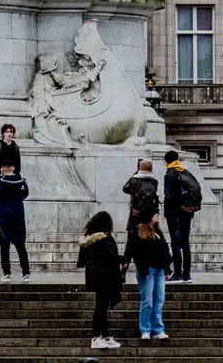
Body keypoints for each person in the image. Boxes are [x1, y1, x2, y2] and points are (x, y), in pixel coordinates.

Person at [78, 209, 124, 349]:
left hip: (96, 277)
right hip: (105, 277)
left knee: (102, 307)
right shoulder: (104, 238)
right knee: (101, 308)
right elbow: (109, 257)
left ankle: (104, 335)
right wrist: (122, 259)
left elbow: (83, 260)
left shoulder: (89, 239)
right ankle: (97, 337)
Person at [124, 213, 171, 342]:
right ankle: (145, 329)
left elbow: (165, 251)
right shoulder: (138, 232)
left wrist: (167, 267)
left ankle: (158, 329)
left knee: (159, 300)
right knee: (148, 301)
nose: (157, 216)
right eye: (155, 214)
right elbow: (133, 250)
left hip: (159, 269)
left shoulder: (158, 232)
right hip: (147, 270)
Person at [162, 150, 200, 283]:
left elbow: (168, 196)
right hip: (187, 213)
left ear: (166, 161)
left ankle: (177, 274)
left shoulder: (170, 174)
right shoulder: (184, 171)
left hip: (175, 213)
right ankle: (187, 275)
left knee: (176, 243)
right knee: (185, 243)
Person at [0, 167, 30, 278]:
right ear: (13, 168)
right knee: (20, 245)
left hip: (3, 216)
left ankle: (7, 273)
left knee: (4, 246)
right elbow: (25, 194)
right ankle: (25, 272)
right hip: (17, 215)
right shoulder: (22, 182)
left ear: (2, 168)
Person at [122, 158, 160, 231]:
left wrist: (136, 173)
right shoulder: (154, 181)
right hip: (150, 211)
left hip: (136, 210)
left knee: (135, 231)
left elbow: (125, 189)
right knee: (149, 232)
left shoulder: (134, 180)